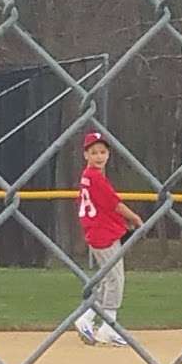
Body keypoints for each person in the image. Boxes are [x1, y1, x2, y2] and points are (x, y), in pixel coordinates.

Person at [75, 131, 142, 347]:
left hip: (98, 230)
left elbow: (105, 205)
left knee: (106, 278)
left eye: (103, 152)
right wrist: (134, 217)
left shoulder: (89, 176)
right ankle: (108, 326)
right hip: (103, 233)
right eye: (93, 152)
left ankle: (87, 319)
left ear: (109, 154)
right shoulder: (94, 177)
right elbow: (114, 203)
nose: (99, 156)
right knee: (115, 278)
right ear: (86, 155)